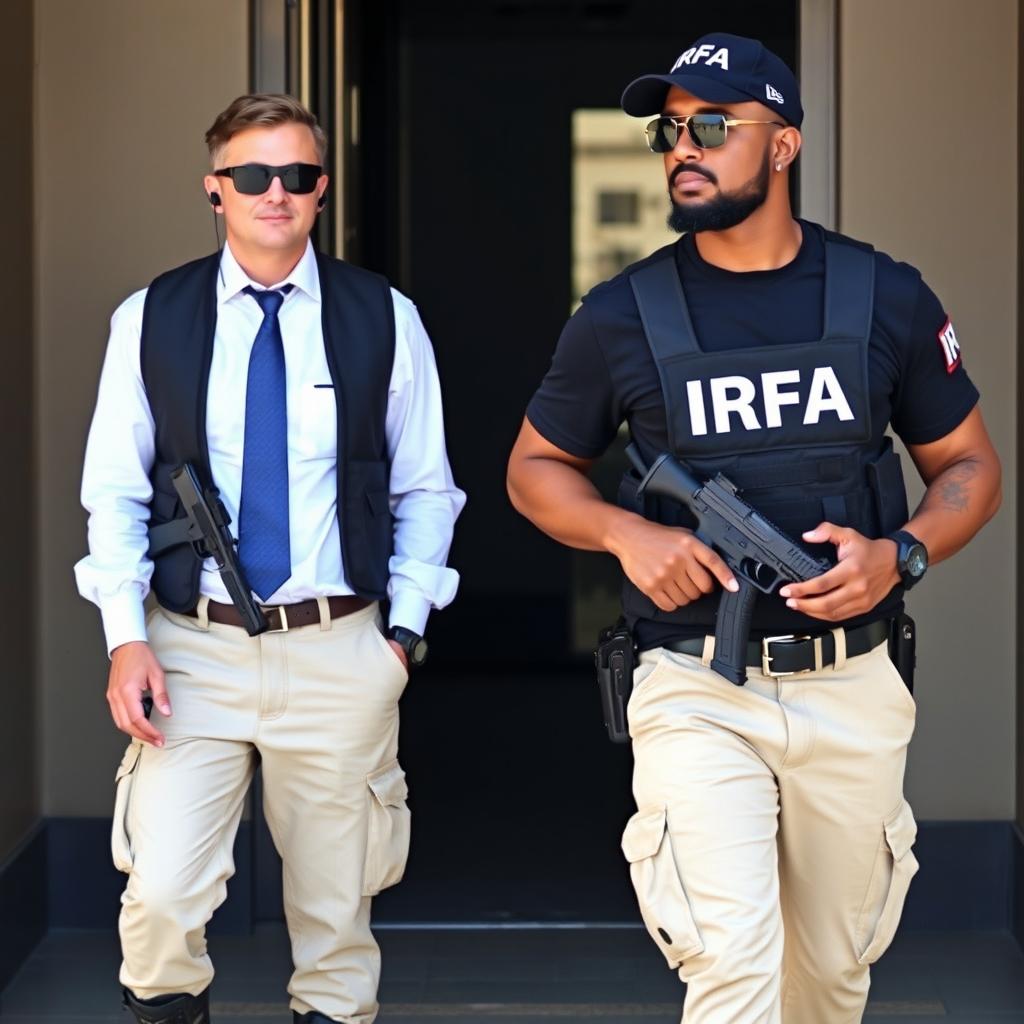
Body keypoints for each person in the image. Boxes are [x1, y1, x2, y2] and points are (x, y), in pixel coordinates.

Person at [507, 33, 1001, 1024]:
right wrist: (624, 535)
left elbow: (969, 467)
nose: (683, 147)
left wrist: (898, 552)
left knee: (827, 981)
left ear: (783, 146)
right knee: (730, 964)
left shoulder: (883, 295)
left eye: (713, 127)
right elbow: (532, 469)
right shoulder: (620, 315)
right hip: (695, 682)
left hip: (851, 680)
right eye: (669, 131)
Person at [75, 94, 464, 1024]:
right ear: (216, 190)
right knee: (162, 902)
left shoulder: (382, 316)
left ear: (321, 190)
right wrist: (125, 639)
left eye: (297, 175)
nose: (275, 192)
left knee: (336, 929)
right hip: (189, 652)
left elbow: (427, 491)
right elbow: (115, 493)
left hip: (340, 648)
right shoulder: (153, 316)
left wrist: (400, 636)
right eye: (253, 175)